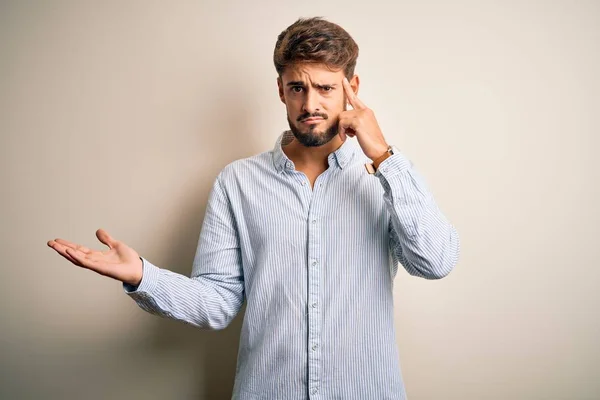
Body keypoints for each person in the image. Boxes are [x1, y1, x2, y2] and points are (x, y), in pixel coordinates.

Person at [47, 17, 460, 400]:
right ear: (281, 89)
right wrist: (143, 276)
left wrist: (384, 157)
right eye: (298, 87)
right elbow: (218, 301)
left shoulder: (387, 178)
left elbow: (436, 261)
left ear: (352, 87)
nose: (310, 104)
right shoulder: (238, 182)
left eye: (326, 88)